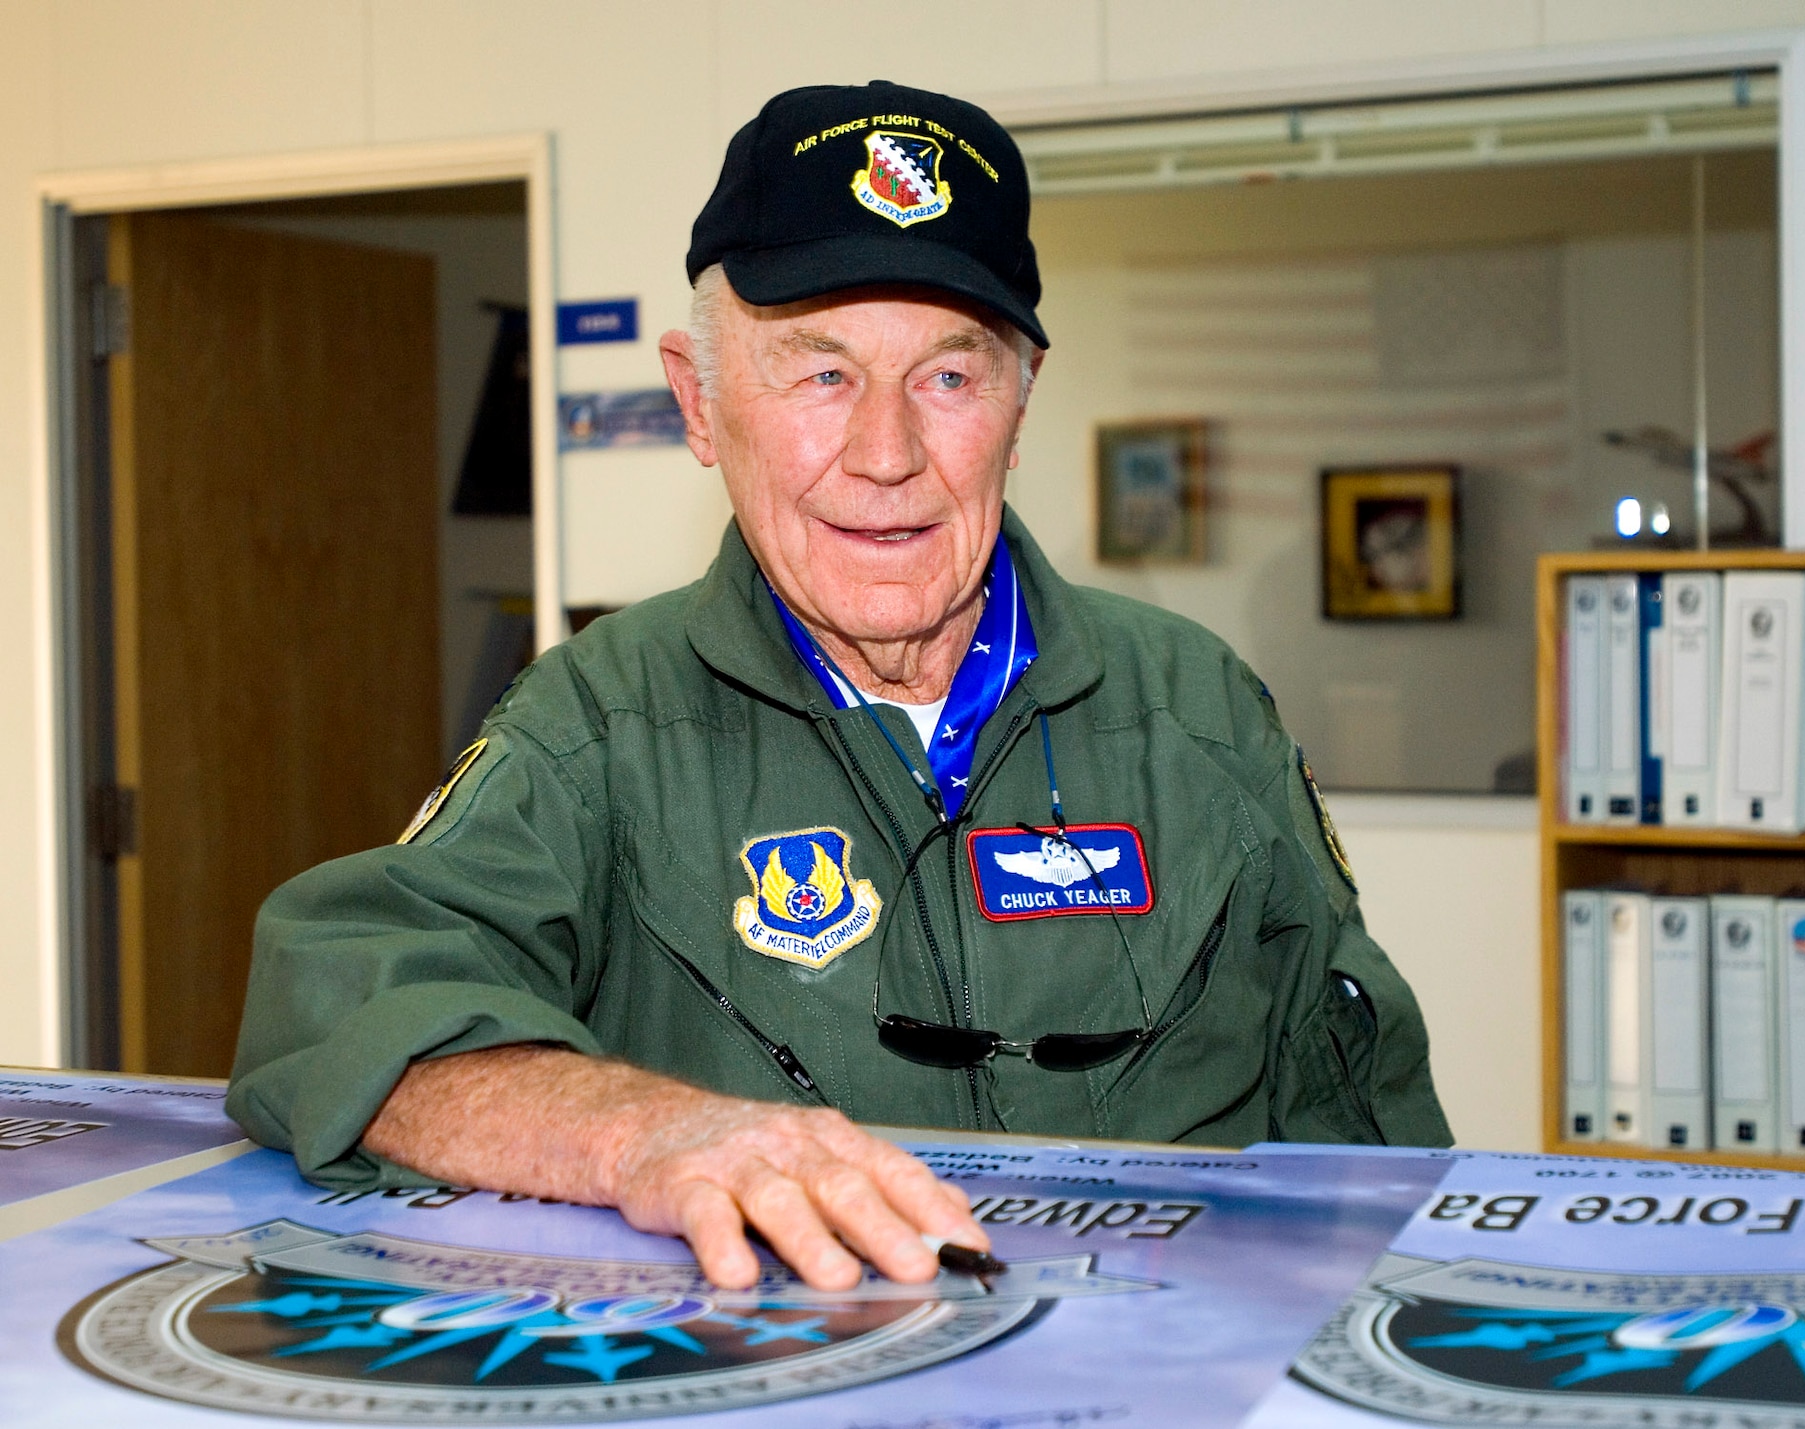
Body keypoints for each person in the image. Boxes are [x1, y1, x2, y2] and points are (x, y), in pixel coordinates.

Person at [228, 80, 1450, 1297]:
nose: (885, 454)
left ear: (1019, 404)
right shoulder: (596, 727)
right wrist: (641, 1132)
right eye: (818, 374)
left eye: (948, 378)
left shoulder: (1196, 709)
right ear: (701, 404)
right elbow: (335, 1010)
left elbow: (1366, 1124)